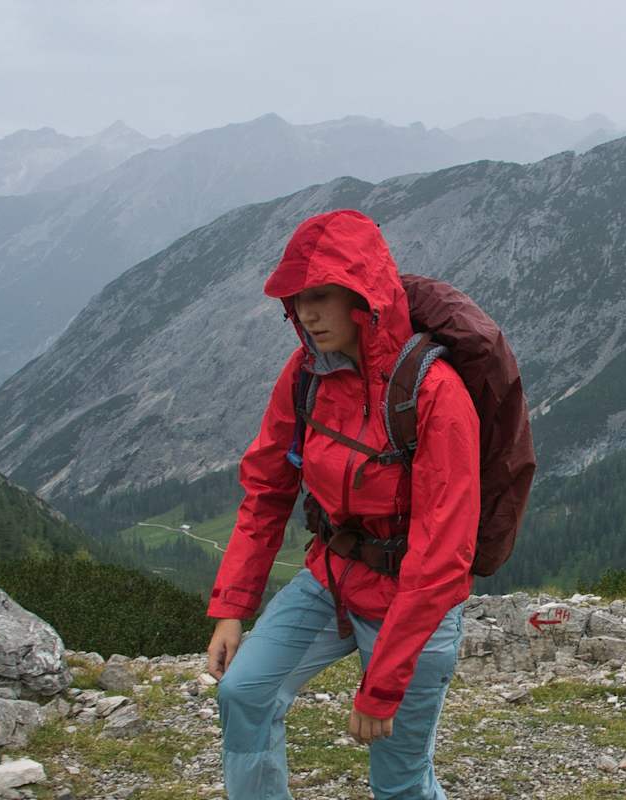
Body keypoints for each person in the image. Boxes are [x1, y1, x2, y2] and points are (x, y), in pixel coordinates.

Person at [206, 209, 482, 799]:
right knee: (244, 692)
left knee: (399, 780)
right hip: (332, 579)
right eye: (298, 298)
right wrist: (232, 606)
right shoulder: (306, 375)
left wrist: (381, 685)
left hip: (415, 608)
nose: (307, 312)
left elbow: (442, 554)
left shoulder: (433, 393)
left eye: (323, 296)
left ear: (364, 298)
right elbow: (266, 490)